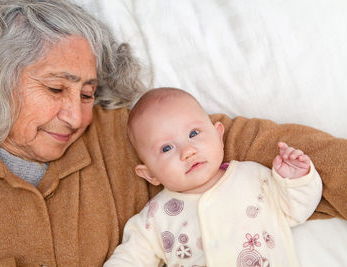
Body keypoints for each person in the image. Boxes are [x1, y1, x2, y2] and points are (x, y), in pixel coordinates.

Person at [0, 0, 345, 266]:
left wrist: (297, 172)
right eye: (55, 89)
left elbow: (248, 145)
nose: (74, 116)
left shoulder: (131, 135)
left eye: (87, 93)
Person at [104, 88, 322, 266]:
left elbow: (298, 208)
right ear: (150, 174)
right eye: (167, 148)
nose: (187, 151)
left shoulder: (253, 177)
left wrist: (296, 179)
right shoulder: (155, 216)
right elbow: (130, 258)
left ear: (219, 135)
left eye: (193, 134)